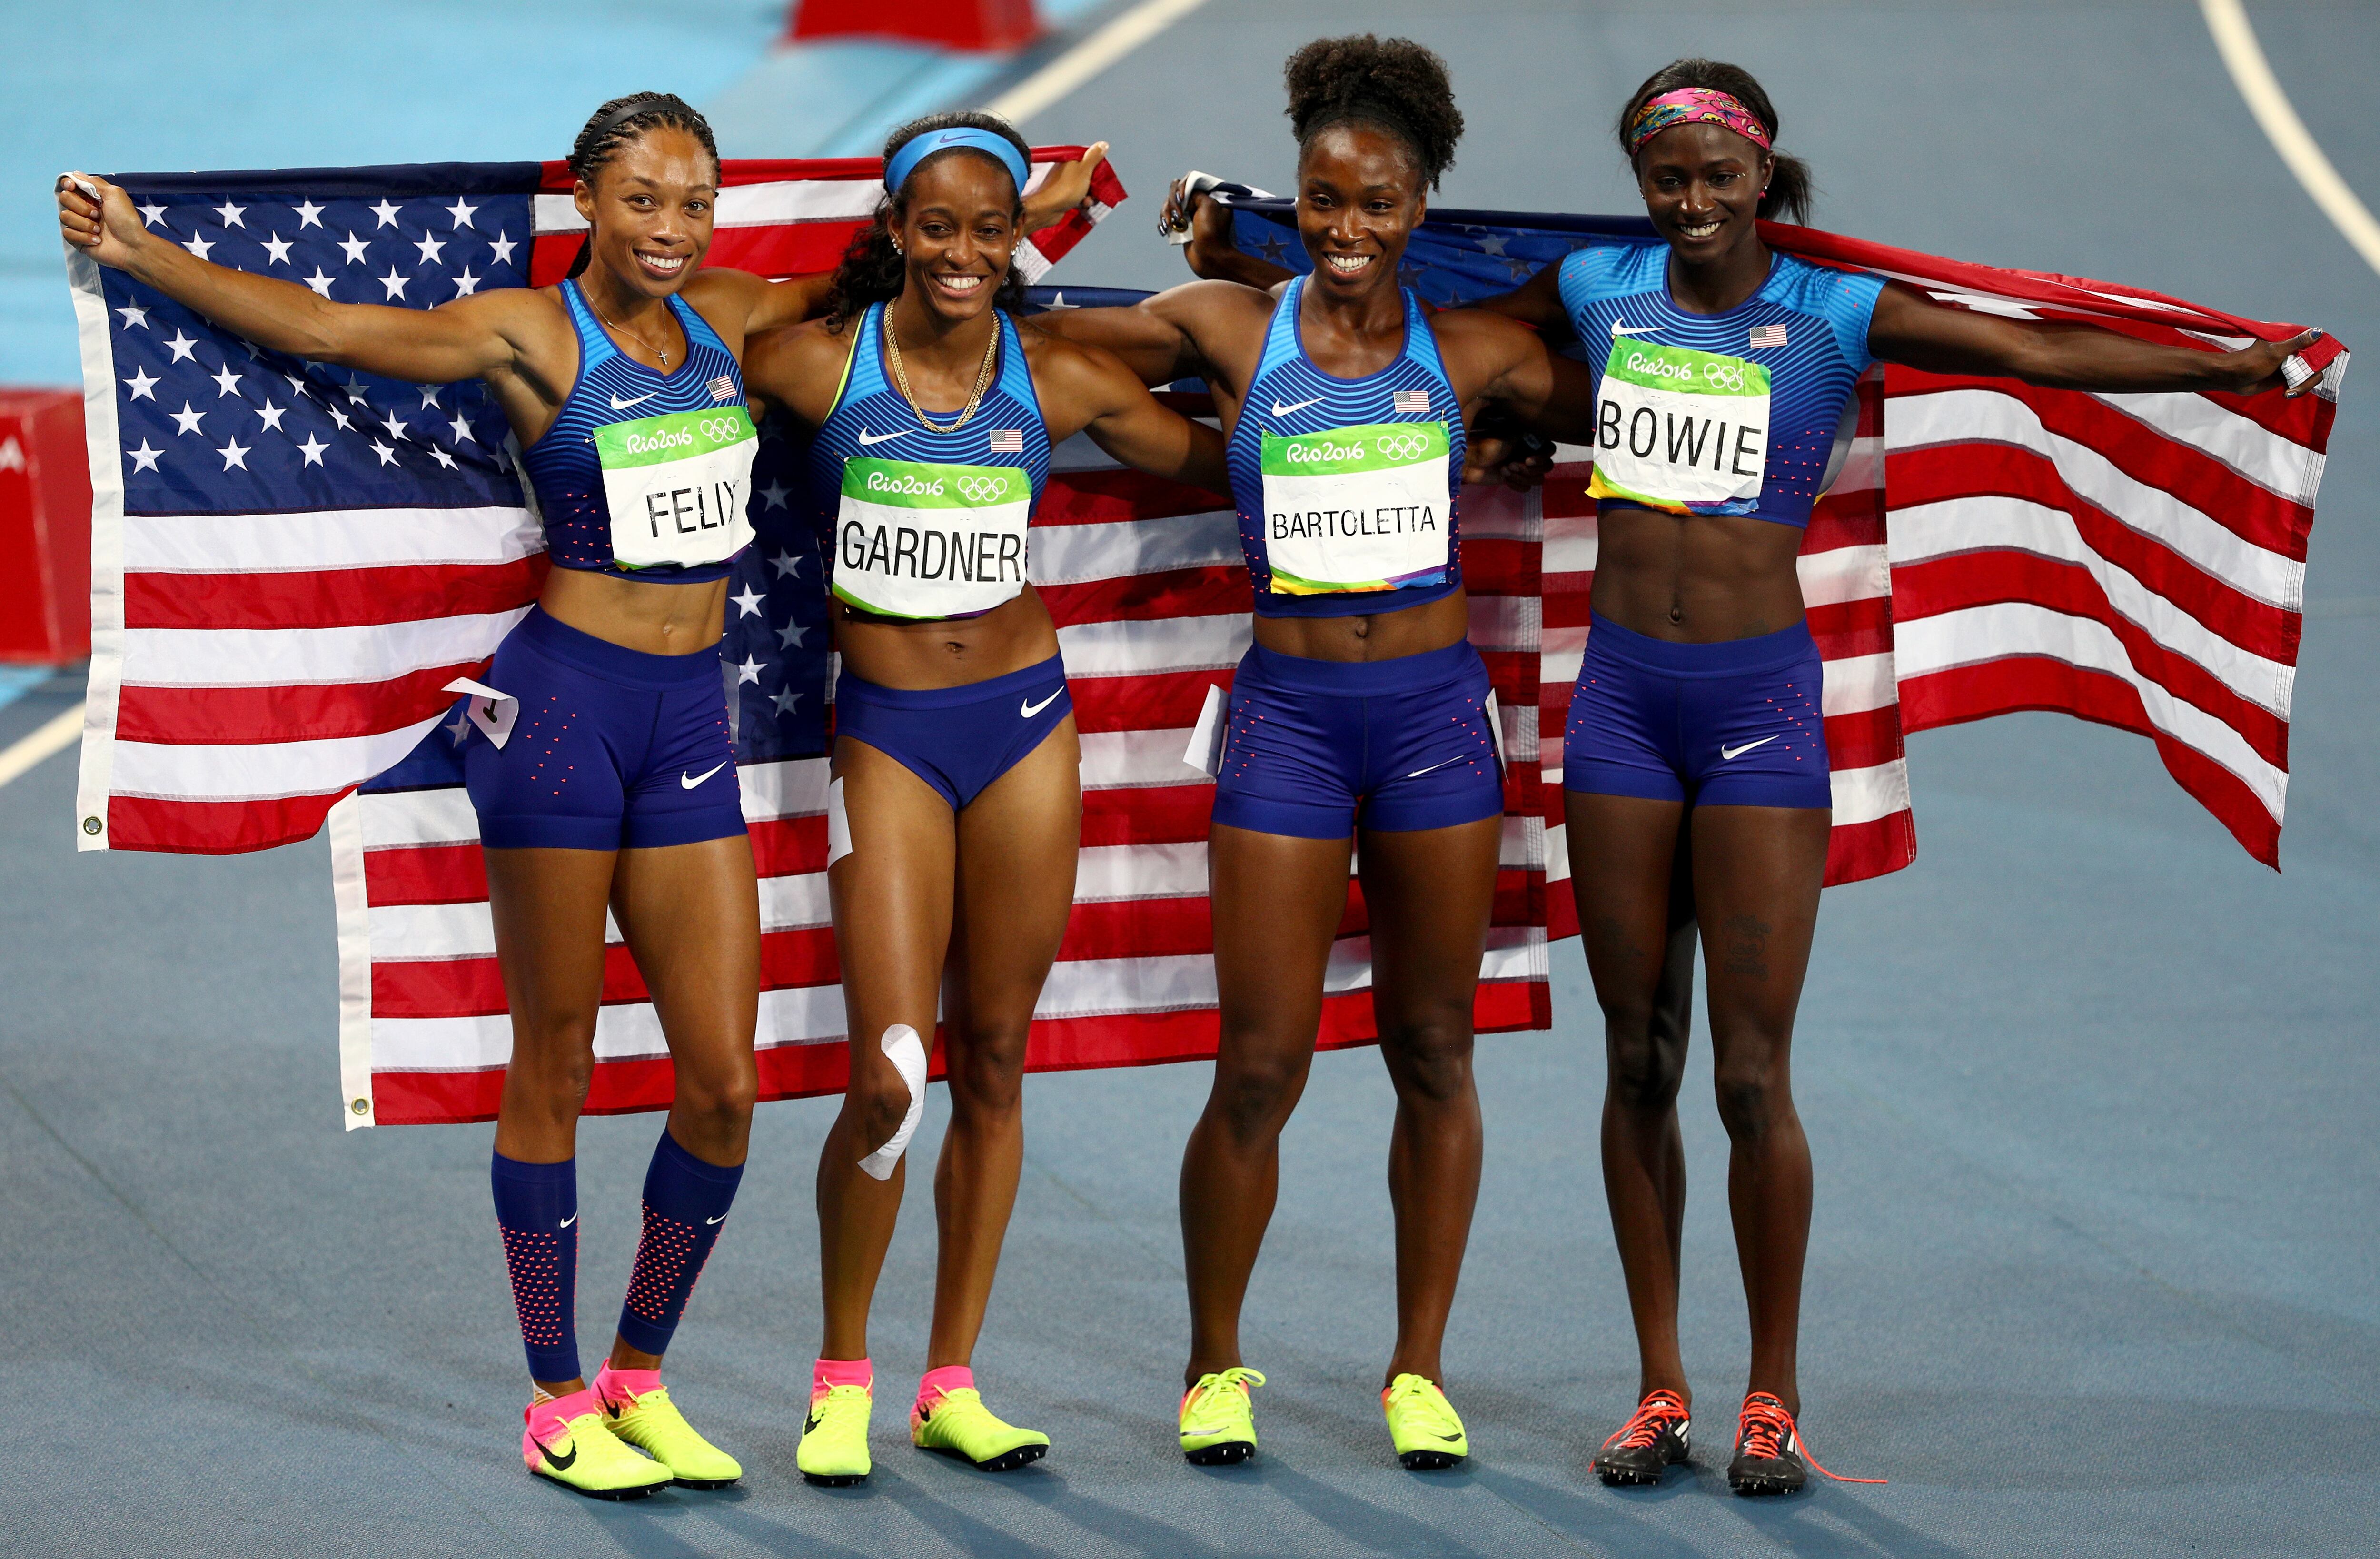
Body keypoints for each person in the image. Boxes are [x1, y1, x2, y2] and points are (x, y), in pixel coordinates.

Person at [55, 92, 1109, 1502]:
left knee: (723, 1084)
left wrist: (1035, 217)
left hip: (690, 724)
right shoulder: (528, 333)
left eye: (693, 204)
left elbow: (898, 276)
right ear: (589, 204)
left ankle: (638, 1374)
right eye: (643, 202)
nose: (670, 231)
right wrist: (146, 256)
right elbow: (324, 331)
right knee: (553, 1060)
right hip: (559, 717)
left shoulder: (736, 324)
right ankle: (554, 1397)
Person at [1451, 58, 2320, 1496]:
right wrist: (1264, 262)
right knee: (1639, 1058)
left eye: (1716, 175)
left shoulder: (1837, 313)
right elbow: (1439, 325)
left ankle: (1772, 1394)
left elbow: (2030, 353)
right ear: (1642, 184)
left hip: (1759, 722)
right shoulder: (1600, 283)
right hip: (1616, 714)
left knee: (1746, 1072)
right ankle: (1661, 1384)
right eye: (1668, 177)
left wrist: (2221, 367)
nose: (1693, 200)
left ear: (1763, 170)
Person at [1035, 36, 1596, 1472]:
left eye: (1377, 204)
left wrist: (1525, 444)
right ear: (1298, 201)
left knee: (1433, 1047)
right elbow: (1058, 360)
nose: (1349, 230)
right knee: (1262, 1062)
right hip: (1286, 726)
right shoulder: (1231, 329)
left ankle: (1419, 1368)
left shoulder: (1476, 356)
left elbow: (1644, 393)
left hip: (1431, 733)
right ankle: (1214, 1365)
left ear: (1420, 211)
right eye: (1324, 202)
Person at [738, 111, 1229, 1487]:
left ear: (1022, 240)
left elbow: (1222, 461)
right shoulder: (815, 363)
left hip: (1023, 727)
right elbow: (664, 351)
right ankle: (843, 1376)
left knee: (996, 1060)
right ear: (894, 229)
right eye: (937, 227)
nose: (964, 252)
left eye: (991, 228)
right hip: (887, 736)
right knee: (891, 1073)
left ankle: (951, 1377)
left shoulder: (1057, 374)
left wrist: (1402, 442)